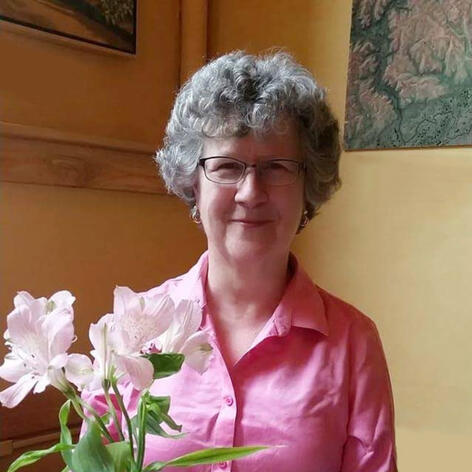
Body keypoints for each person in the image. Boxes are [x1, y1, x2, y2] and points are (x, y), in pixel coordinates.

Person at [86, 51, 397, 472]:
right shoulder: (130, 330)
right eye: (227, 166)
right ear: (193, 184)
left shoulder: (353, 343)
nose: (251, 192)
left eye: (277, 167)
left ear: (308, 187)